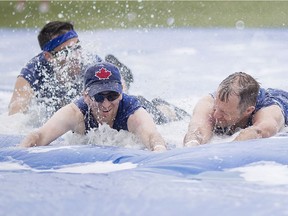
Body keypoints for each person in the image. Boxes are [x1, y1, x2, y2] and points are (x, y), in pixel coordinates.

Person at [8, 21, 189, 124]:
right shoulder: (32, 73)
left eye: (77, 47)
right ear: (48, 56)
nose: (75, 56)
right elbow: (15, 117)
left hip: (105, 90)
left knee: (151, 112)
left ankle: (122, 73)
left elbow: (122, 99)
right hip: (68, 107)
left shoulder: (90, 63)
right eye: (65, 52)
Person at [19, 62, 167, 152]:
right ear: (86, 97)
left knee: (165, 114)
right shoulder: (75, 113)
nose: (106, 104)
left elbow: (153, 137)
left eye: (112, 96)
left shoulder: (133, 112)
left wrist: (159, 150)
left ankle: (163, 105)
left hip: (149, 107)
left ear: (121, 93)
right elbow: (40, 136)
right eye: (98, 97)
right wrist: (20, 151)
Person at [183, 72, 288, 146]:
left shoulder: (269, 112)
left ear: (248, 111)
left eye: (224, 112)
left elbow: (257, 132)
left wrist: (228, 150)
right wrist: (192, 144)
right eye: (216, 108)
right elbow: (197, 130)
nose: (216, 115)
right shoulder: (209, 102)